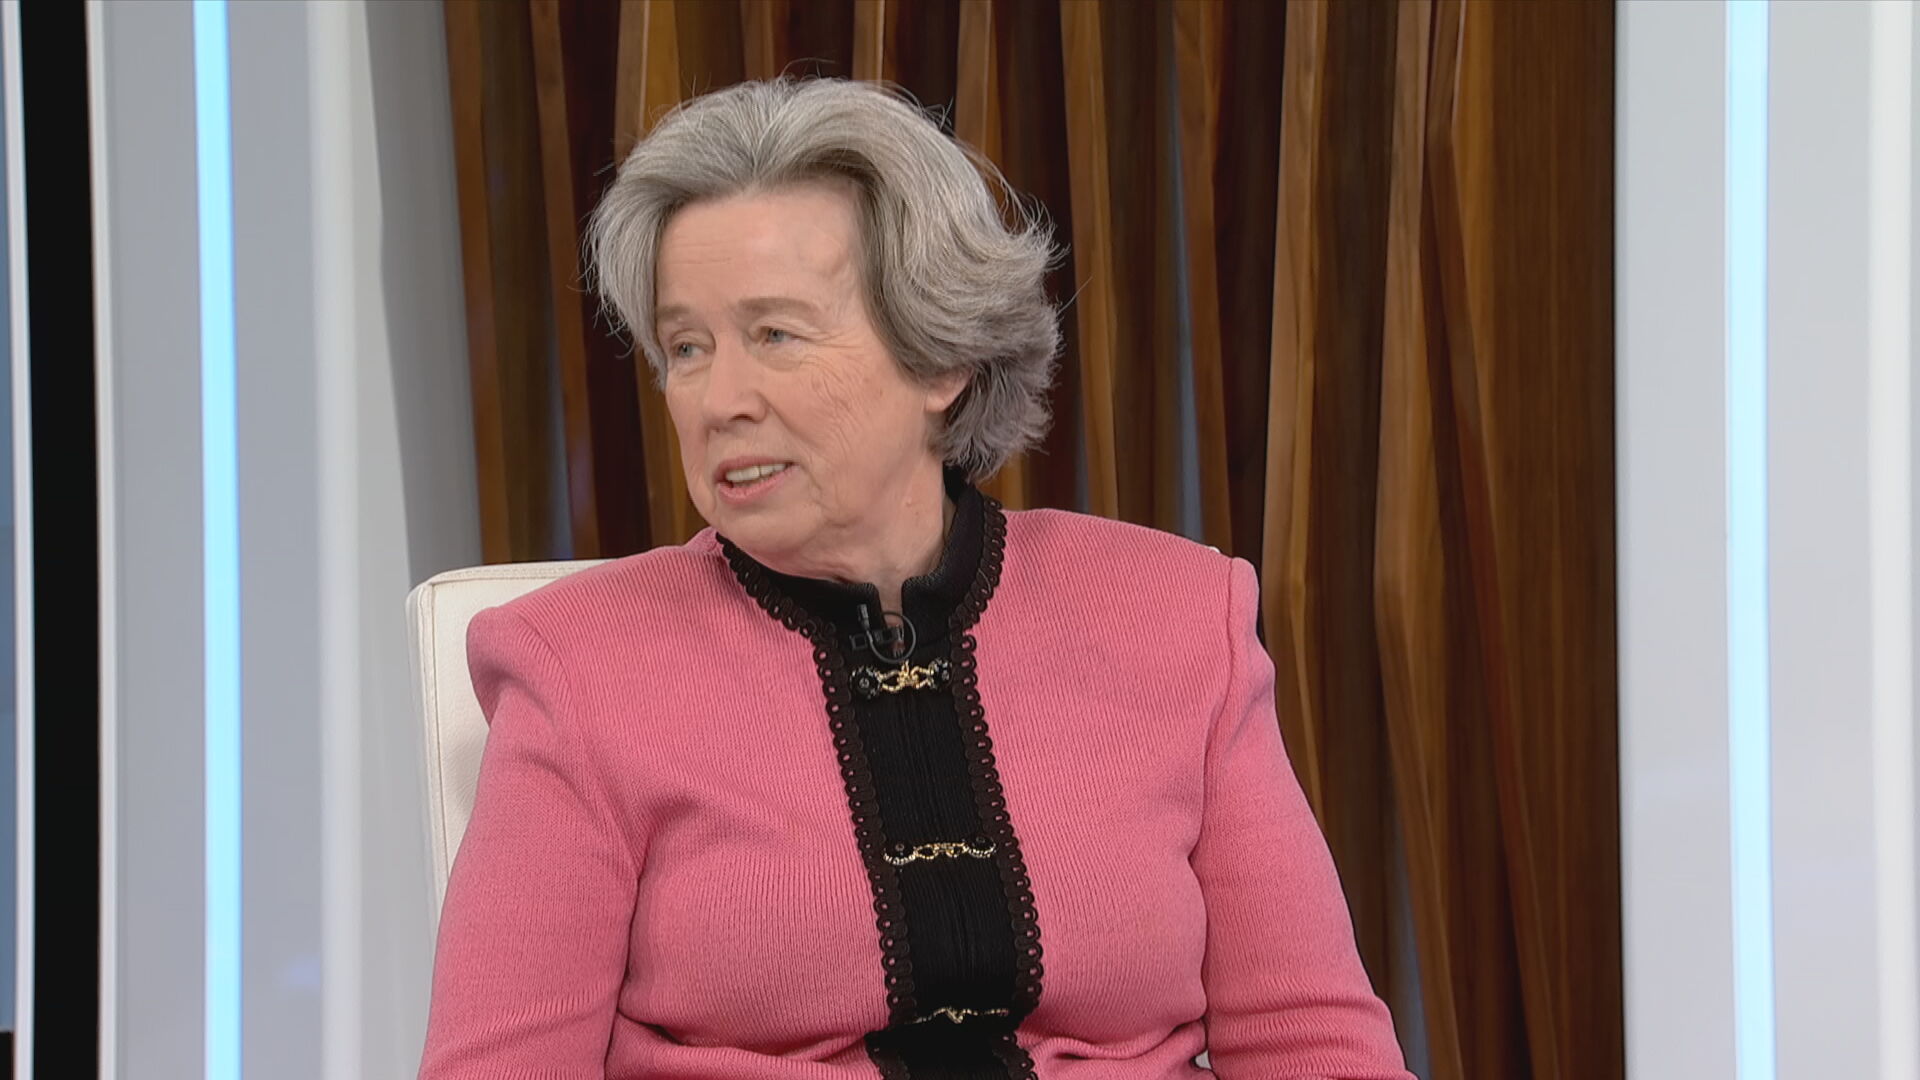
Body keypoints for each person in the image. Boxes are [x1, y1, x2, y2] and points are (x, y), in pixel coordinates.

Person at [419, 77, 1411, 1080]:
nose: (719, 401)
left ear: (941, 358)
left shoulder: (1179, 615)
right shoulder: (576, 667)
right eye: (687, 347)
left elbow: (1311, 1040)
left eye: (775, 335)